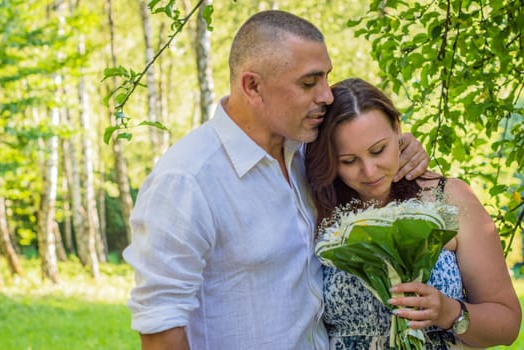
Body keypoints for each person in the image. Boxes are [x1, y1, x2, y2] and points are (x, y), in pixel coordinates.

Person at [123, 11, 429, 350]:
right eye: (308, 83)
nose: (326, 96)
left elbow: (369, 170)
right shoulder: (186, 180)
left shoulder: (308, 155)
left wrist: (403, 149)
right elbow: (160, 326)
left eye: (326, 78)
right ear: (252, 86)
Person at [305, 77, 522, 349]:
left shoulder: (449, 197)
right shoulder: (316, 204)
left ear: (398, 129)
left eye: (378, 150)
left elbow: (508, 324)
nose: (369, 171)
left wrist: (449, 312)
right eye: (348, 161)